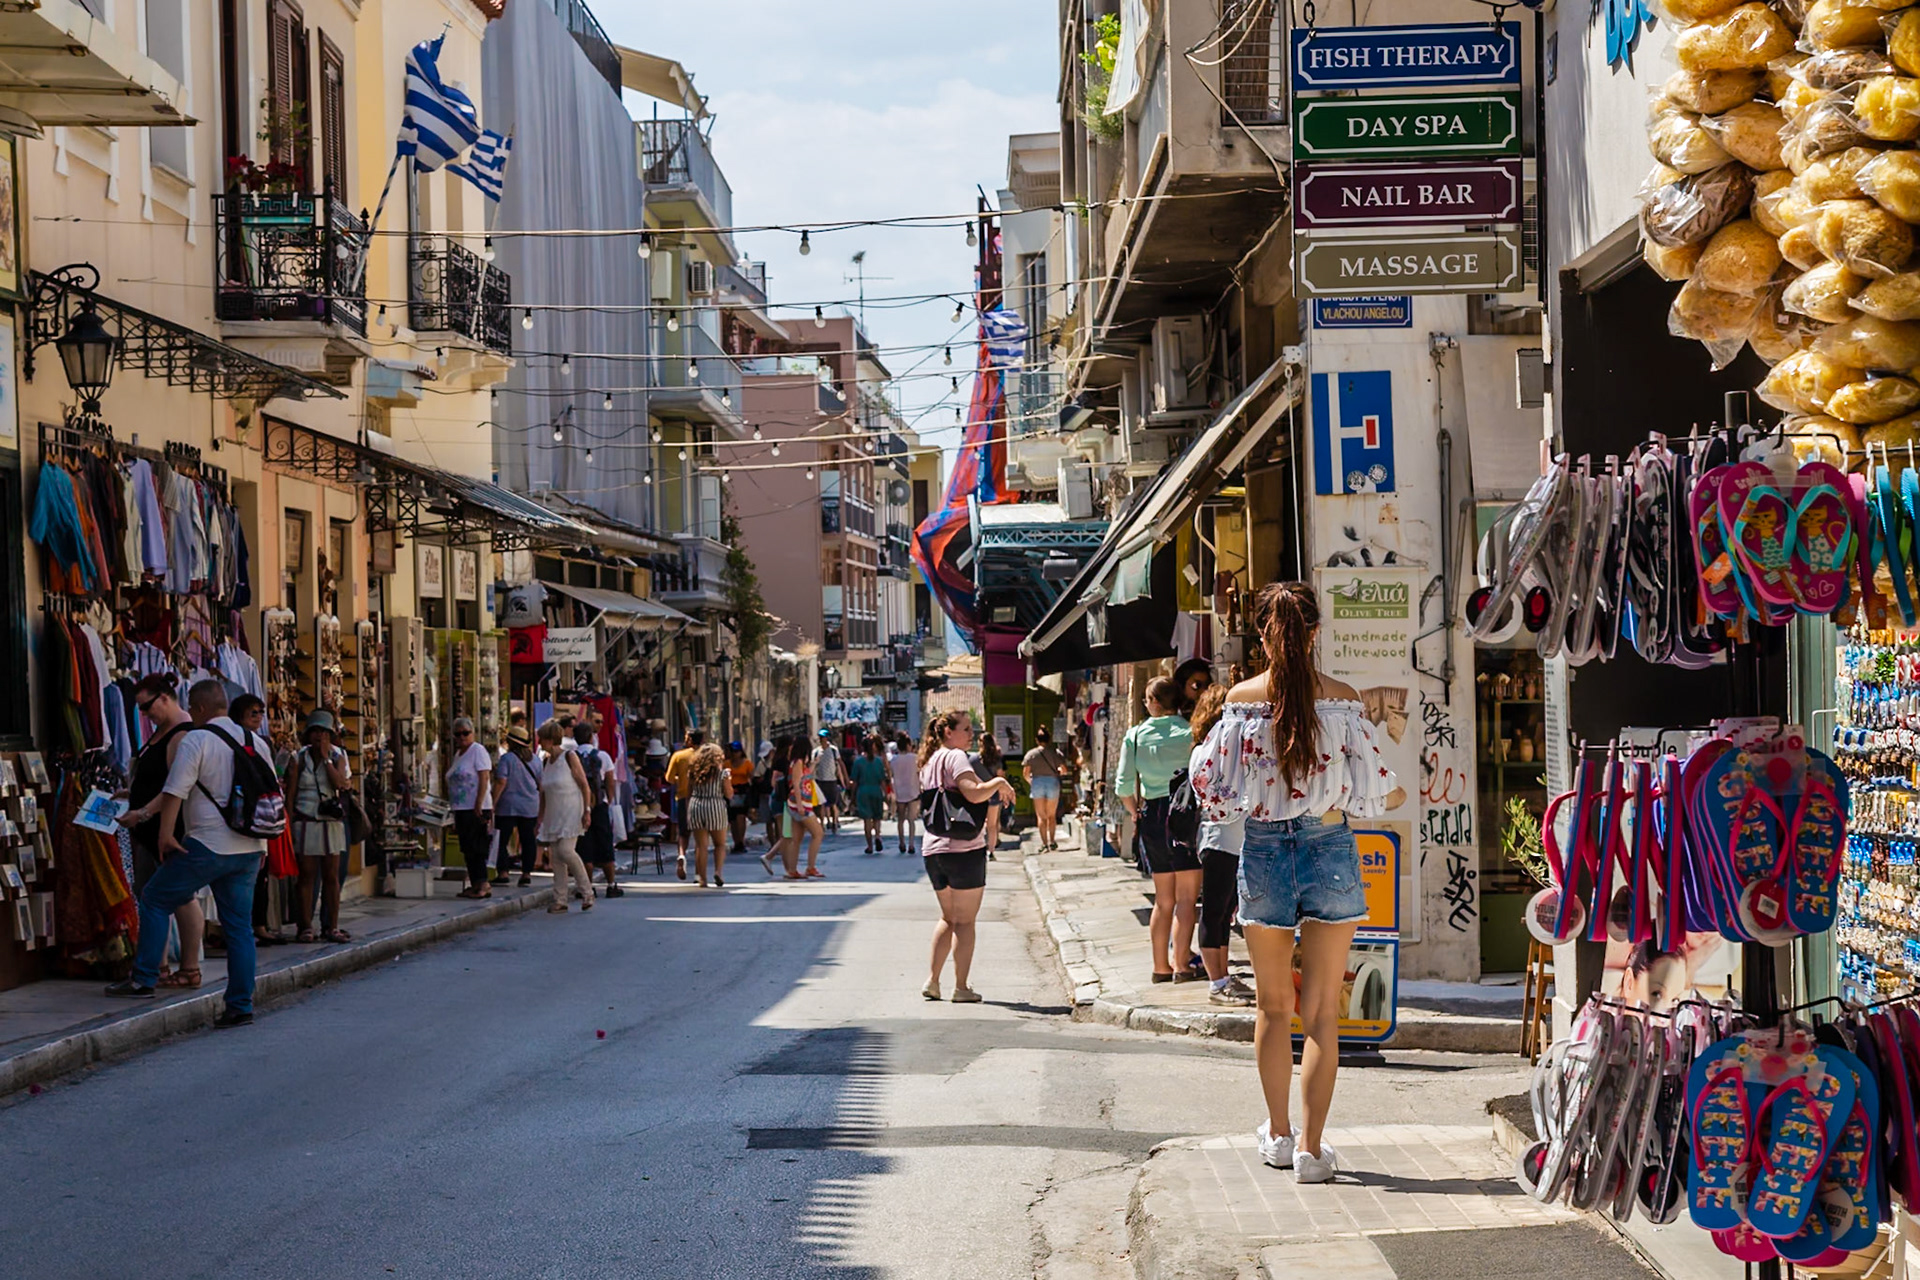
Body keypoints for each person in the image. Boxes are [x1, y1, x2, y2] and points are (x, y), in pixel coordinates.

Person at [1191, 582, 1403, 1183]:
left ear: (1262, 634)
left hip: (1262, 850)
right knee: (1320, 1016)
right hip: (1330, 845)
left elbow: (1209, 784)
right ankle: (1312, 1150)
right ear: (1314, 634)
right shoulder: (1342, 699)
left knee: (1271, 1008)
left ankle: (1278, 1135)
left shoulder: (1240, 700)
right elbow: (1377, 787)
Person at [105, 679, 273, 1028]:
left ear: (197, 710)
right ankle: (240, 1005)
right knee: (239, 928)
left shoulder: (196, 739)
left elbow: (174, 792)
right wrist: (264, 847)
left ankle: (144, 978)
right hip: (250, 847)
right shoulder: (254, 741)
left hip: (208, 844)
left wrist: (165, 836)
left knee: (154, 898)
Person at [115, 674, 206, 987]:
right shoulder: (163, 732)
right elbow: (156, 780)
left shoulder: (182, 734)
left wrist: (141, 812)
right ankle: (160, 964)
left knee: (179, 896)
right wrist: (131, 796)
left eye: (147, 707)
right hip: (148, 829)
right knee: (151, 897)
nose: (145, 715)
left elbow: (175, 788)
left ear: (165, 697)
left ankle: (189, 967)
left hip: (168, 830)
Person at [918, 710, 1015, 1003]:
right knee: (965, 922)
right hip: (963, 848)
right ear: (948, 732)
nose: (971, 734)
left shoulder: (930, 761)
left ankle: (933, 981)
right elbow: (972, 793)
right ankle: (960, 987)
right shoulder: (956, 757)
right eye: (966, 729)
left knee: (948, 917)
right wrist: (998, 783)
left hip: (933, 849)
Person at [1117, 677, 1199, 984]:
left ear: (1153, 701)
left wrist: (1135, 812)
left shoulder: (1136, 735)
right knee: (1187, 898)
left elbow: (1123, 785)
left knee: (1163, 899)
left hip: (1152, 814)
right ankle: (1183, 964)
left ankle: (1160, 967)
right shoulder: (1191, 731)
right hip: (1186, 814)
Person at [1187, 685, 1253, 1007]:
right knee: (1215, 912)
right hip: (1221, 841)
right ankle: (1217, 983)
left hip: (1234, 842)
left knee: (1225, 912)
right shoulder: (1209, 753)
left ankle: (1224, 976)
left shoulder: (1210, 751)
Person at [285, 709, 352, 942]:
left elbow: (341, 784)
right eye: (315, 731)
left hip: (331, 823)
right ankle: (304, 926)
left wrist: (325, 759)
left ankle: (331, 926)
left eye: (324, 732)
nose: (319, 736)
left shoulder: (338, 756)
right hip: (306, 821)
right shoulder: (298, 758)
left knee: (331, 876)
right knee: (306, 876)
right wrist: (289, 823)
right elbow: (291, 794)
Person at [536, 719, 594, 913]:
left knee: (566, 851)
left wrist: (587, 811)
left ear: (551, 739)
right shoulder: (546, 762)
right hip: (554, 814)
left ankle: (587, 892)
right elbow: (544, 794)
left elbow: (584, 785)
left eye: (542, 739)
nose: (539, 743)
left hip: (571, 811)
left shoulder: (569, 757)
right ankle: (560, 899)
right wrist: (540, 818)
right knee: (556, 858)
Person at [444, 716, 493, 899]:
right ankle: (475, 883)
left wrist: (479, 803)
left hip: (475, 807)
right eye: (458, 734)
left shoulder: (477, 751)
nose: (462, 737)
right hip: (461, 808)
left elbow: (484, 777)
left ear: (473, 733)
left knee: (477, 846)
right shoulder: (458, 755)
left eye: (466, 733)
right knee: (467, 848)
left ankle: (483, 883)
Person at [573, 721, 623, 898]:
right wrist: (608, 800)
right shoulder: (603, 756)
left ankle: (587, 887)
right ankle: (611, 885)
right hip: (599, 806)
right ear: (591, 737)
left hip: (578, 805)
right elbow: (610, 781)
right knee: (604, 844)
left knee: (584, 847)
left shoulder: (571, 757)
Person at [491, 726, 542, 887]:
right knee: (528, 840)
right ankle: (526, 874)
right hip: (530, 806)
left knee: (501, 840)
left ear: (510, 742)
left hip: (508, 806)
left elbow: (501, 782)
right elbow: (541, 784)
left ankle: (503, 872)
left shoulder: (507, 759)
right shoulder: (536, 760)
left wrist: (493, 802)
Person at [685, 742, 732, 887]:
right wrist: (729, 781)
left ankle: (702, 879)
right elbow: (729, 794)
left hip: (697, 806)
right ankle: (718, 872)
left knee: (701, 846)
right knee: (720, 844)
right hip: (715, 806)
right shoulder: (723, 774)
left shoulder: (693, 773)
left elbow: (687, 792)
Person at [664, 728, 705, 879]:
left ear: (688, 740)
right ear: (701, 740)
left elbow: (668, 778)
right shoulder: (706, 756)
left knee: (683, 833)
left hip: (683, 798)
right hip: (702, 799)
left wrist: (680, 780)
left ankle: (681, 854)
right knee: (700, 836)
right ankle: (698, 873)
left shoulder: (678, 756)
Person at [785, 740, 827, 879]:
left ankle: (792, 870)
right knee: (818, 833)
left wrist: (814, 763)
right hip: (801, 803)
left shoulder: (801, 763)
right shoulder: (798, 763)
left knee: (797, 838)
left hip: (800, 803)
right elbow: (796, 784)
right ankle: (810, 867)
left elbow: (805, 778)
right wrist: (800, 805)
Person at [1022, 726, 1067, 853]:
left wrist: (1032, 782)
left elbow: (1025, 773)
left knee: (1041, 816)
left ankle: (1044, 844)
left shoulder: (1031, 754)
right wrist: (1057, 772)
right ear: (1049, 739)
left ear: (1037, 740)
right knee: (1051, 816)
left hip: (1037, 783)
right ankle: (1052, 841)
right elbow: (1064, 770)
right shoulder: (1055, 753)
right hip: (1052, 783)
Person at [848, 735, 888, 855]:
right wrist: (885, 794)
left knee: (867, 820)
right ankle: (877, 836)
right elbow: (882, 779)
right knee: (877, 817)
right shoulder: (878, 761)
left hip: (863, 791)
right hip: (876, 790)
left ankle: (870, 846)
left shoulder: (858, 761)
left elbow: (854, 781)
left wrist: (852, 796)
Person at [972, 733, 1007, 860]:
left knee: (980, 824)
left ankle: (978, 848)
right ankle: (991, 851)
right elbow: (1001, 777)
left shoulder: (973, 760)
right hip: (994, 794)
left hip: (978, 793)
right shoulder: (997, 759)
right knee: (992, 825)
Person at [887, 731, 920, 855]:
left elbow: (891, 775)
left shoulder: (894, 760)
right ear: (908, 745)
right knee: (911, 819)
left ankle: (901, 842)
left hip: (899, 791)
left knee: (900, 819)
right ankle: (911, 844)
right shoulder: (914, 758)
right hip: (913, 790)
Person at [812, 728, 845, 834]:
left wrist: (842, 780)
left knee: (833, 803)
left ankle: (834, 821)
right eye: (820, 738)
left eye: (823, 737)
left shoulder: (834, 750)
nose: (821, 739)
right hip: (820, 780)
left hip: (832, 780)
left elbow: (838, 765)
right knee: (822, 804)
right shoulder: (816, 751)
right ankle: (823, 823)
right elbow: (813, 765)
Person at [726, 742, 755, 856]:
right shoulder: (726, 764)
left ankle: (741, 841)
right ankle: (736, 842)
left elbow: (751, 776)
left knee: (741, 817)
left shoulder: (747, 764)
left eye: (736, 752)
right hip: (730, 790)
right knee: (732, 819)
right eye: (733, 752)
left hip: (743, 790)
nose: (734, 754)